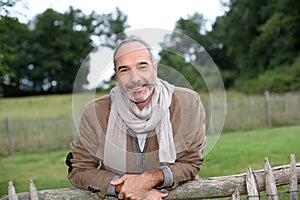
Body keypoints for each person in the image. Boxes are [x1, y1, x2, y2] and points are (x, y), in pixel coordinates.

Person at [65, 37, 207, 200]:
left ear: (155, 68)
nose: (134, 79)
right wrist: (127, 188)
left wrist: (149, 179)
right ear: (117, 75)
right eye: (124, 69)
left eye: (142, 66)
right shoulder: (95, 112)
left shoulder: (188, 102)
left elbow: (191, 163)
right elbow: (79, 170)